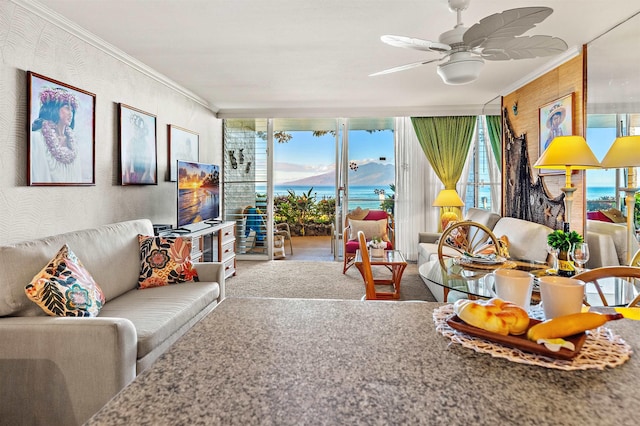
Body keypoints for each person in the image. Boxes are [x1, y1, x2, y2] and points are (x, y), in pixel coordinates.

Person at [30, 87, 82, 183]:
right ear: (54, 109)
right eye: (67, 108)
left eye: (72, 110)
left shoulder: (74, 143)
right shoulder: (36, 138)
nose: (71, 114)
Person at [123, 113, 154, 184]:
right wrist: (128, 178)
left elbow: (147, 171)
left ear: (142, 131)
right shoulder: (131, 142)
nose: (135, 131)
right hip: (131, 175)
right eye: (134, 129)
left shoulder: (147, 146)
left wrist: (140, 183)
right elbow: (127, 163)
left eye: (137, 129)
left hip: (143, 176)